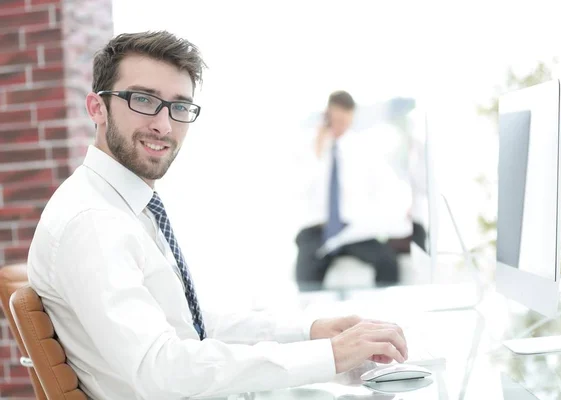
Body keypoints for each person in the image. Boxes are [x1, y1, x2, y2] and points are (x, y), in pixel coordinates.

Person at [26, 31, 408, 399]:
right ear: (97, 107)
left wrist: (313, 331)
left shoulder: (123, 205)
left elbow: (192, 325)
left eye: (179, 106)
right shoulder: (94, 221)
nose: (163, 124)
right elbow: (161, 369)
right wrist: (333, 355)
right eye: (143, 100)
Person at [293, 91, 412, 290]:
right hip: (316, 230)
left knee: (388, 262)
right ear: (327, 114)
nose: (341, 126)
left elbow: (384, 186)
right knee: (305, 277)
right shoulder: (308, 147)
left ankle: (380, 316)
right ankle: (316, 320)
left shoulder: (361, 149)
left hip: (350, 231)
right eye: (337, 120)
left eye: (346, 121)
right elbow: (300, 189)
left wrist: (401, 208)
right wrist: (318, 148)